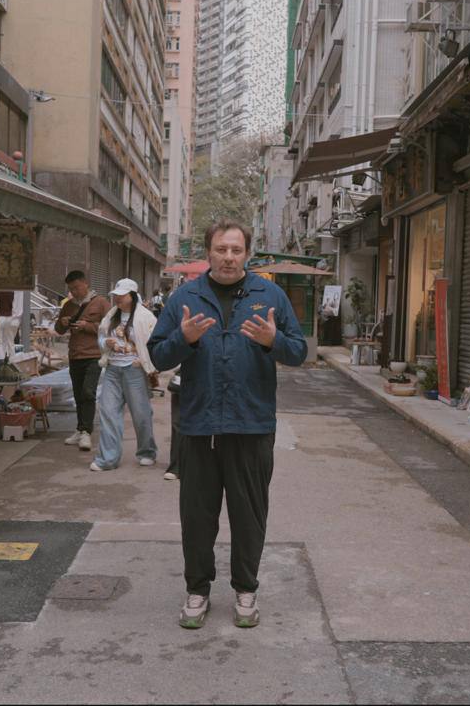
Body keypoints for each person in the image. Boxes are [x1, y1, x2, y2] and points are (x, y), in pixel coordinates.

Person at [148, 219, 308, 630]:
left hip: (251, 426)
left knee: (249, 514)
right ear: (209, 252)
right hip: (199, 426)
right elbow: (159, 357)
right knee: (197, 516)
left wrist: (274, 341)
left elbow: (299, 352)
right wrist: (183, 338)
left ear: (247, 254)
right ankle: (197, 591)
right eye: (221, 249)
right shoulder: (185, 297)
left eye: (236, 250)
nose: (228, 257)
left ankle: (245, 589)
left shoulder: (269, 295)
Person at [90, 278, 158, 472]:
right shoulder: (111, 316)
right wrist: (106, 344)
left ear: (133, 296)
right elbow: (101, 338)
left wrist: (146, 363)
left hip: (135, 370)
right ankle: (107, 459)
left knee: (141, 414)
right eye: (116, 295)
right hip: (112, 369)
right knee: (108, 412)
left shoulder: (146, 317)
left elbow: (156, 343)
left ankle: (147, 452)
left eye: (122, 295)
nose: (118, 298)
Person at [54, 270, 109, 451]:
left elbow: (110, 327)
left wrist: (88, 326)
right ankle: (80, 429)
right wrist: (62, 322)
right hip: (75, 354)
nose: (75, 292)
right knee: (78, 394)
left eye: (77, 287)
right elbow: (59, 330)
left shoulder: (100, 303)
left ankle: (86, 432)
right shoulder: (68, 305)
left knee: (88, 391)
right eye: (71, 289)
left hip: (93, 355)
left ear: (86, 283)